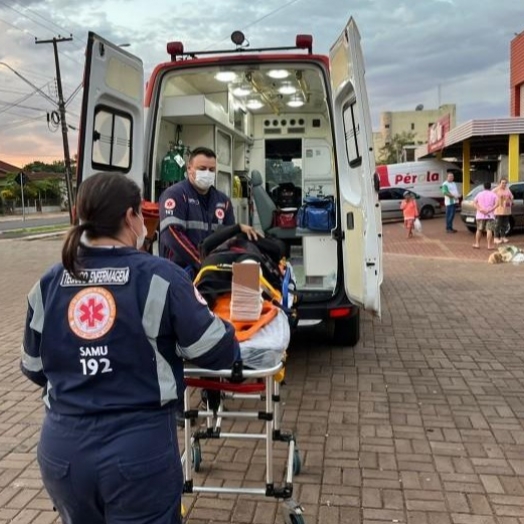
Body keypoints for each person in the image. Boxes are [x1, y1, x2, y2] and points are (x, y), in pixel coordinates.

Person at [20, 172, 239, 524]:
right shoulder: (160, 276)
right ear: (130, 217)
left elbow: (33, 367)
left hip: (63, 451)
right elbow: (215, 348)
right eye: (141, 214)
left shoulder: (48, 282)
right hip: (137, 451)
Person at [159, 146, 259, 277]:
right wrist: (201, 262)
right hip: (180, 272)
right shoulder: (176, 195)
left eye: (211, 170)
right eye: (202, 169)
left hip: (212, 272)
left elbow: (229, 238)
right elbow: (172, 235)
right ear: (189, 169)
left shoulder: (223, 201)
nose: (207, 173)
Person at [472, 181, 497, 249]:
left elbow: (474, 203)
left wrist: (480, 209)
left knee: (479, 229)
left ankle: (477, 244)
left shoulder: (479, 194)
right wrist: (490, 210)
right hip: (490, 215)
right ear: (490, 187)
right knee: (489, 230)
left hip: (480, 215)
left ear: (484, 187)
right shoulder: (493, 194)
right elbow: (497, 204)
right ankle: (489, 245)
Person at [493, 177, 513, 244]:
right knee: (498, 224)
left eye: (505, 183)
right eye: (502, 183)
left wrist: (510, 199)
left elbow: (512, 196)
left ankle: (503, 237)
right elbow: (491, 196)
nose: (504, 184)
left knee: (505, 224)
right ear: (500, 183)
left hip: (506, 210)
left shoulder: (507, 190)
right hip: (499, 211)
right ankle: (496, 238)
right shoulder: (496, 190)